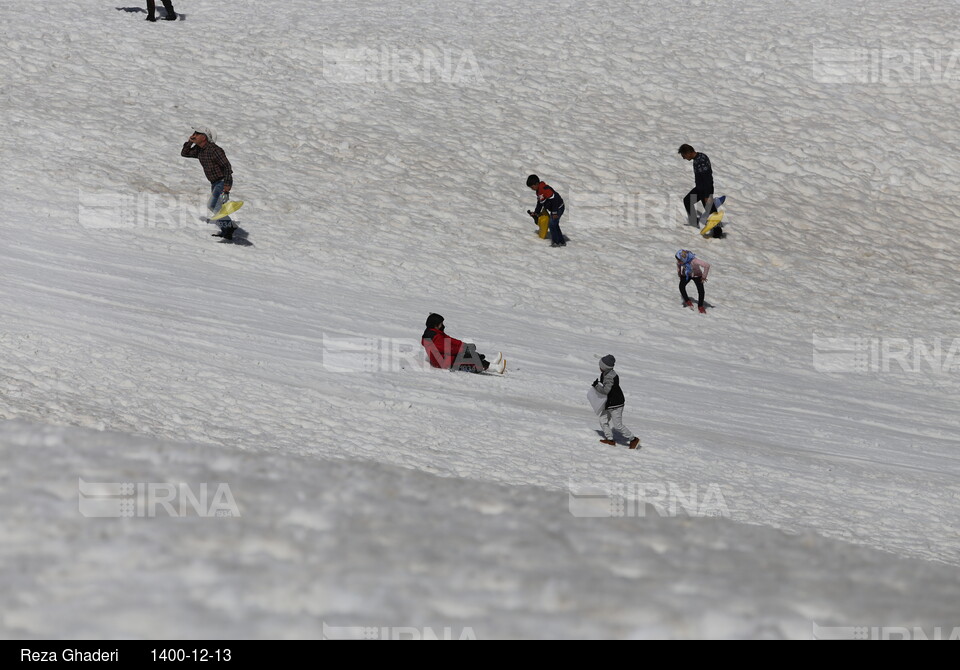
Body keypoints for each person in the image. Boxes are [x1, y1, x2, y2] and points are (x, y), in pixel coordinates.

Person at [181, 127, 236, 240]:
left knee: (213, 205)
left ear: (204, 137)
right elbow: (184, 153)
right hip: (214, 183)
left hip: (221, 181)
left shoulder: (215, 150)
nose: (194, 135)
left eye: (197, 133)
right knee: (217, 206)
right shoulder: (199, 149)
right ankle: (227, 230)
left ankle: (229, 227)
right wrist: (189, 142)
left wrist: (227, 185)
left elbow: (226, 167)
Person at [592, 355, 640, 449]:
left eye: (601, 366)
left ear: (605, 367)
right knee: (603, 420)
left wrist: (596, 386)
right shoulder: (605, 373)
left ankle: (633, 439)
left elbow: (606, 391)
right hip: (609, 403)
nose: (599, 368)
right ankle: (610, 440)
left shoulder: (610, 377)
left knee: (618, 426)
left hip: (616, 404)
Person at [421, 314, 491, 373]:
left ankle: (486, 363)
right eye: (441, 324)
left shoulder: (436, 333)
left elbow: (449, 340)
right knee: (475, 363)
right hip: (444, 363)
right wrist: (464, 349)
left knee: (473, 356)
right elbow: (448, 349)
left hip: (447, 358)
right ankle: (488, 367)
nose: (442, 325)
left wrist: (463, 345)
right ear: (435, 325)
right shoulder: (435, 338)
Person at [678, 144, 721, 237]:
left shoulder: (701, 161)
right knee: (687, 200)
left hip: (705, 189)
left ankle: (718, 233)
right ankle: (694, 223)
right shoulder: (699, 157)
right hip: (700, 188)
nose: (683, 158)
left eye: (683, 156)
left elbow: (707, 179)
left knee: (710, 210)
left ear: (688, 153)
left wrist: (707, 195)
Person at [526, 174, 566, 247]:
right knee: (555, 224)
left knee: (551, 224)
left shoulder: (545, 189)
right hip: (555, 209)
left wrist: (554, 212)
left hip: (558, 207)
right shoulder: (538, 191)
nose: (532, 189)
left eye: (532, 187)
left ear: (537, 184)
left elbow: (554, 200)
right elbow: (540, 203)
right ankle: (561, 241)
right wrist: (536, 213)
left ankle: (556, 242)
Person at [676, 249, 711, 314]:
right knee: (681, 286)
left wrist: (704, 276)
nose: (678, 261)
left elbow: (707, 265)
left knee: (701, 291)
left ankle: (700, 306)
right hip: (686, 274)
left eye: (679, 260)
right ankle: (687, 300)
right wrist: (679, 274)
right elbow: (678, 265)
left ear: (684, 259)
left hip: (697, 275)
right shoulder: (680, 261)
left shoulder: (694, 261)